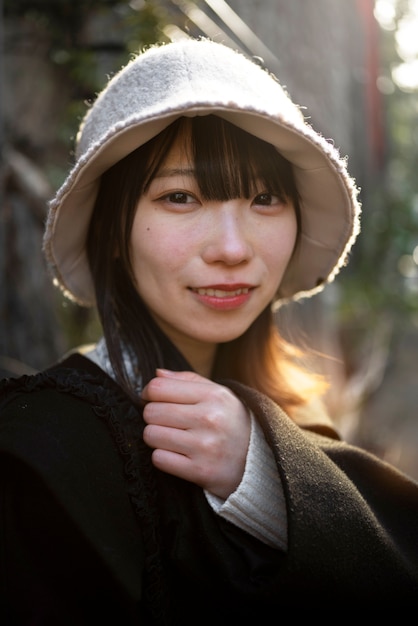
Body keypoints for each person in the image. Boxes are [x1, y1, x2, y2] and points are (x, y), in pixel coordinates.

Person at [0, 37, 417, 624]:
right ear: (114, 230)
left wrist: (264, 475)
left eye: (265, 198)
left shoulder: (298, 419)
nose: (232, 248)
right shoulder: (41, 447)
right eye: (180, 197)